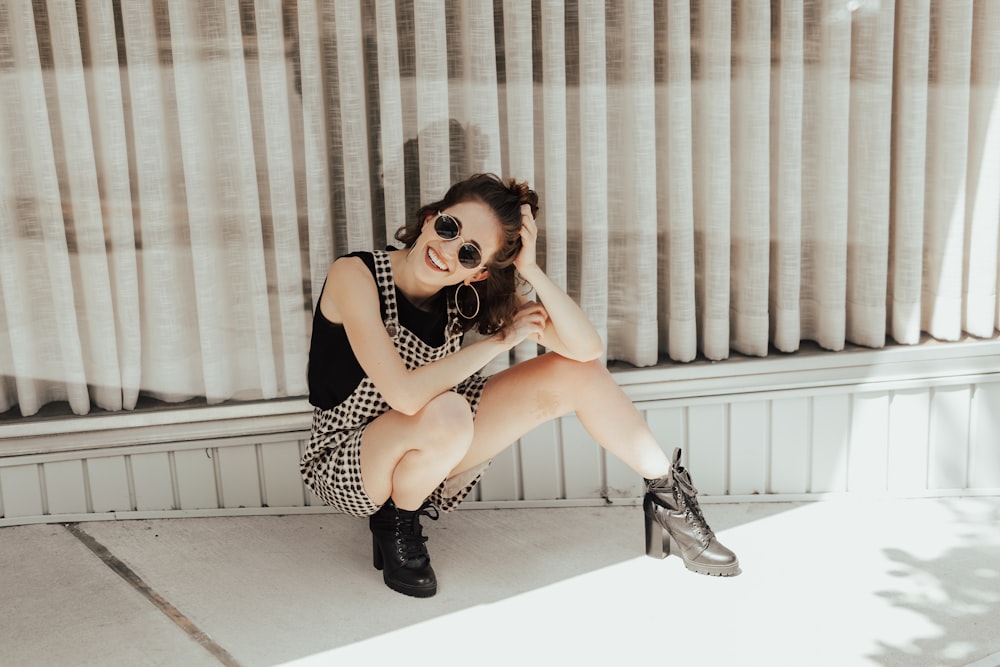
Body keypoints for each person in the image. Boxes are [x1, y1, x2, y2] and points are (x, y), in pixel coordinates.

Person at [302, 173, 739, 598]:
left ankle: (668, 498)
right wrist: (500, 341)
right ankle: (396, 522)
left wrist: (530, 268)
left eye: (471, 253)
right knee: (449, 410)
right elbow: (404, 395)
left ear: (477, 274)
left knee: (576, 373)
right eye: (449, 227)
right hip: (349, 458)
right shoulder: (354, 275)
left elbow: (586, 350)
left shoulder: (465, 294)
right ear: (431, 217)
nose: (448, 250)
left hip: (435, 444)